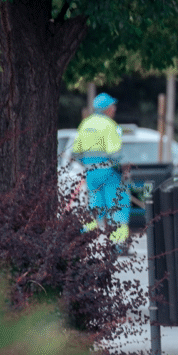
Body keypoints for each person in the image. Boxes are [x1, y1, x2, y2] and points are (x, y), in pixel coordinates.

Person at [73, 93, 130, 252]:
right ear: (106, 109)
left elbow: (75, 152)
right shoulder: (109, 125)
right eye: (112, 106)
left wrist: (88, 164)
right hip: (109, 173)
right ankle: (118, 245)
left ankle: (81, 240)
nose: (114, 109)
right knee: (118, 205)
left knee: (95, 206)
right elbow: (115, 153)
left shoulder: (85, 124)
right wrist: (124, 168)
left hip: (91, 174)